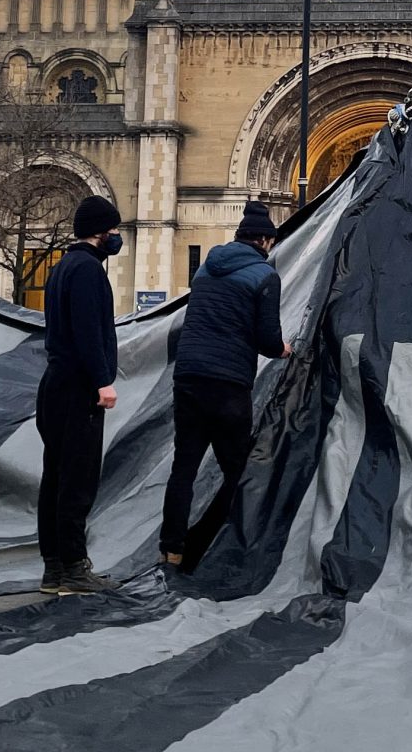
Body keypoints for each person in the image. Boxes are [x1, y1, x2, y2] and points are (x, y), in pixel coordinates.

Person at [159, 201, 292, 566]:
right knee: (238, 469)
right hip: (228, 384)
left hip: (188, 376)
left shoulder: (205, 269)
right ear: (265, 240)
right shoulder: (265, 277)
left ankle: (171, 549)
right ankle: (221, 547)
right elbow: (267, 339)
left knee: (183, 467)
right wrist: (284, 350)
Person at [36, 195, 122, 594]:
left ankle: (54, 567)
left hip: (55, 384)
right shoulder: (88, 271)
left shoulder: (61, 268)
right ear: (100, 231)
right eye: (114, 230)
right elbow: (88, 330)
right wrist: (103, 380)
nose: (117, 236)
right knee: (77, 479)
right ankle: (74, 567)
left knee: (55, 476)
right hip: (78, 388)